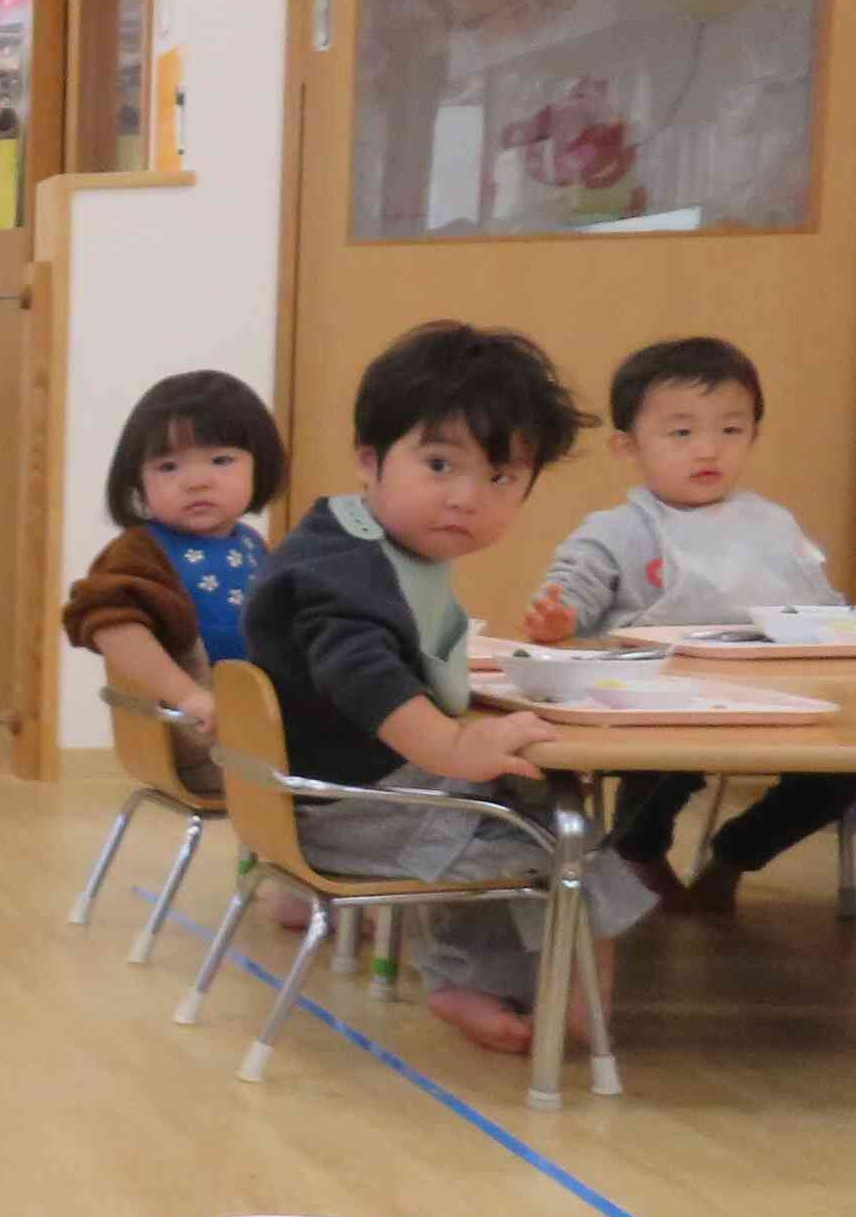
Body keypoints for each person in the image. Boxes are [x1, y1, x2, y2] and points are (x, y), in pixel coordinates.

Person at [241, 321, 645, 1058]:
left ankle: (487, 981)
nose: (466, 498)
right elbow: (358, 673)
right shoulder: (343, 571)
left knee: (536, 803)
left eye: (500, 478)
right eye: (438, 464)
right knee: (568, 845)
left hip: (345, 794)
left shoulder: (360, 543)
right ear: (370, 460)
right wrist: (457, 743)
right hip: (351, 812)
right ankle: (562, 1015)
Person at [519, 334, 856, 914]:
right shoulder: (618, 529)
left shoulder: (773, 523)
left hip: (783, 699)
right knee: (660, 763)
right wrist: (560, 617)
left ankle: (735, 854)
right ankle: (637, 851)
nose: (708, 449)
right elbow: (568, 596)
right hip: (662, 704)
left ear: (753, 435)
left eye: (730, 431)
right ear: (628, 445)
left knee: (848, 766)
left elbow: (820, 608)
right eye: (682, 433)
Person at [62, 368, 288, 792]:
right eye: (168, 466)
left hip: (261, 732)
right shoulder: (142, 551)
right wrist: (188, 696)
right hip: (206, 742)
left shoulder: (255, 545)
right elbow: (111, 626)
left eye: (221, 460)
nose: (197, 481)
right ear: (138, 483)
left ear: (260, 464)